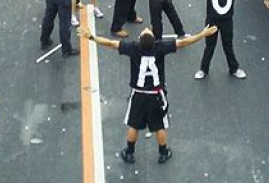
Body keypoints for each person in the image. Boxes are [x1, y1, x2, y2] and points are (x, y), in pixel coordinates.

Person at [76, 23, 218, 163]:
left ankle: (129, 151)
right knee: (159, 126)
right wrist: (202, 34)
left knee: (134, 125)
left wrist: (91, 37)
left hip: (138, 94)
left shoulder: (133, 48)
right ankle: (163, 152)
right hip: (156, 94)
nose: (146, 28)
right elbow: (184, 42)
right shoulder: (160, 47)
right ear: (154, 41)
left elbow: (110, 43)